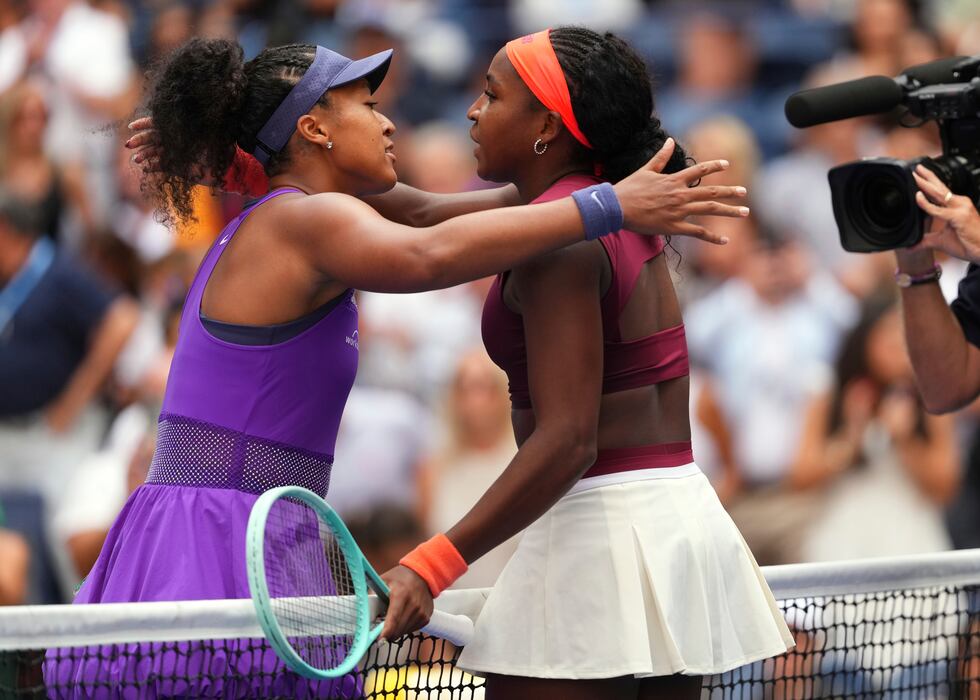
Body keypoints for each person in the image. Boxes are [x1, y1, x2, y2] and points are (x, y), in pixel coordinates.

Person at [59, 37, 747, 696]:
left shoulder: (300, 213)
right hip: (213, 533)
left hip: (258, 523)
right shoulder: (307, 221)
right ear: (317, 129)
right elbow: (430, 254)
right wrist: (610, 205)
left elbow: (431, 213)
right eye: (367, 104)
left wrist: (597, 184)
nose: (390, 124)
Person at [377, 27, 790, 700]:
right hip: (677, 525)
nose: (473, 111)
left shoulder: (561, 242)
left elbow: (569, 440)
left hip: (601, 533)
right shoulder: (586, 205)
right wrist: (280, 163)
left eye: (492, 94)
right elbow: (420, 212)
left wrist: (432, 564)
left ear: (545, 123)